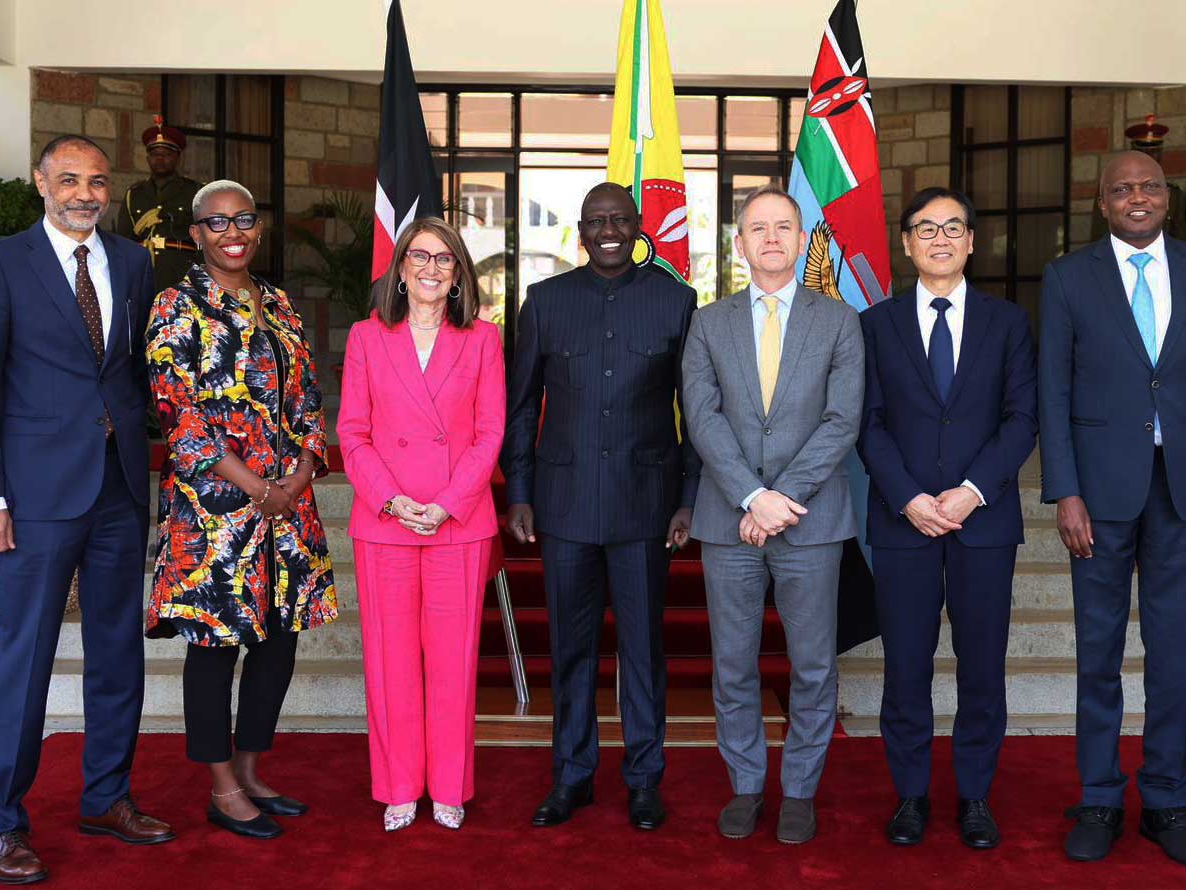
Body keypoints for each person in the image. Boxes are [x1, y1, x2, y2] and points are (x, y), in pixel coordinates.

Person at [0, 134, 173, 884]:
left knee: (119, 652)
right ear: (41, 184)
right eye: (71, 179)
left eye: (99, 182)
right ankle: (3, 824)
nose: (86, 192)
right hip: (35, 496)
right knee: (25, 658)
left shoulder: (135, 262)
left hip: (116, 487)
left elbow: (132, 372)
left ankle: (106, 796)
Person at [1038, 150, 1186, 868]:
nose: (1136, 197)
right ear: (1101, 202)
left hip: (1183, 490)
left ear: (1166, 197)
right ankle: (1098, 796)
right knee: (1097, 655)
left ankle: (1165, 802)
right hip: (1097, 491)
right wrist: (1063, 489)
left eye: (1148, 186)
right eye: (1120, 188)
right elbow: (1052, 391)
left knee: (1171, 656)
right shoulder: (1067, 277)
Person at [503, 181, 698, 832]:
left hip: (646, 507)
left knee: (643, 651)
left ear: (637, 226)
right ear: (579, 232)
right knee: (571, 650)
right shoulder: (546, 302)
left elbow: (694, 414)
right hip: (562, 508)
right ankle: (572, 776)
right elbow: (522, 405)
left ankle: (644, 780)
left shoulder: (676, 303)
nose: (607, 229)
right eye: (595, 221)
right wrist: (522, 492)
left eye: (619, 219)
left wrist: (688, 500)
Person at [145, 179, 337, 840]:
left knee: (279, 643)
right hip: (216, 513)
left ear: (258, 228)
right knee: (216, 648)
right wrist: (258, 487)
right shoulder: (176, 304)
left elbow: (309, 402)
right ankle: (221, 786)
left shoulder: (279, 303)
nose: (234, 232)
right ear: (196, 233)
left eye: (245, 220)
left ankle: (251, 769)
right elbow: (179, 417)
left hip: (288, 508)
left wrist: (301, 473)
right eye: (217, 222)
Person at [679, 186, 863, 845]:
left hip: (811, 521)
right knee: (733, 663)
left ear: (799, 236)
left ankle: (801, 791)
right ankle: (747, 785)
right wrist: (751, 497)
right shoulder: (708, 321)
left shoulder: (837, 321)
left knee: (812, 664)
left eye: (783, 226)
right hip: (727, 520)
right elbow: (701, 417)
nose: (771, 238)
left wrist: (780, 498)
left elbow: (842, 419)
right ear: (739, 243)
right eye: (757, 228)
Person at [855, 187, 1037, 849]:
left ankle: (975, 796)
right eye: (925, 228)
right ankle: (909, 796)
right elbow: (866, 423)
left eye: (952, 228)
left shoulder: (1008, 322)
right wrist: (907, 496)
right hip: (901, 521)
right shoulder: (873, 325)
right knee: (905, 666)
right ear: (905, 244)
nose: (939, 239)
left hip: (982, 523)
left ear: (970, 241)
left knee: (981, 666)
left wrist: (971, 491)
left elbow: (1022, 419)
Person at [338, 217, 505, 832]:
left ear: (459, 274)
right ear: (400, 269)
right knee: (391, 662)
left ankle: (451, 787)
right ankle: (401, 786)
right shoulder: (365, 336)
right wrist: (389, 499)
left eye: (445, 260)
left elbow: (490, 432)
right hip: (386, 521)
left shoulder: (483, 339)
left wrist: (447, 502)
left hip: (457, 521)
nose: (432, 269)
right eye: (420, 258)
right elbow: (352, 432)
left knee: (453, 662)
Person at [115, 115, 204, 294]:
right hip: (142, 273)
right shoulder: (134, 194)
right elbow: (123, 242)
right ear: (148, 158)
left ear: (178, 157)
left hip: (181, 274)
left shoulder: (194, 191)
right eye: (155, 154)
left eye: (167, 154)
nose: (160, 159)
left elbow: (206, 240)